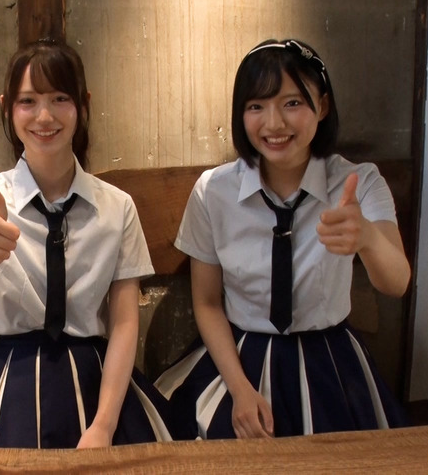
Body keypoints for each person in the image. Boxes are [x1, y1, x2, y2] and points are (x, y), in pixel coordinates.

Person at [0, 38, 193, 448]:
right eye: (28, 101)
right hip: (9, 380)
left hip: (96, 381)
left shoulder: (117, 206)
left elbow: (125, 323)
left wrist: (104, 425)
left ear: (83, 105)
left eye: (59, 98)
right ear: (7, 107)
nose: (44, 116)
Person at [155, 39, 410, 439]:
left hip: (331, 361)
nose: (273, 124)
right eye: (256, 106)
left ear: (322, 106)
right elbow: (207, 303)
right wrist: (239, 390)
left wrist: (368, 238)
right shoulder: (214, 191)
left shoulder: (359, 182)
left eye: (292, 103)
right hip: (239, 358)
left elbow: (397, 283)